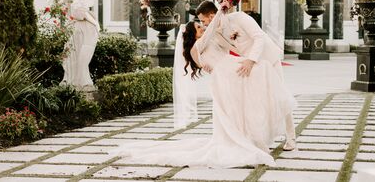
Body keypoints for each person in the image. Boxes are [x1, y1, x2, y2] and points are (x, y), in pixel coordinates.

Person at [114, 15, 295, 168]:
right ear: (193, 35)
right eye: (199, 27)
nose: (203, 27)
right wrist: (220, 12)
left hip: (230, 71)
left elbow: (224, 46)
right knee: (236, 107)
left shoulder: (208, 41)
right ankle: (247, 139)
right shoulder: (197, 47)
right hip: (224, 77)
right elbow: (207, 43)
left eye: (202, 24)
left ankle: (254, 136)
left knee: (248, 98)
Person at [195, 0, 297, 151]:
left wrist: (251, 59)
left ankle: (291, 137)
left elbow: (259, 37)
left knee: (280, 97)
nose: (203, 25)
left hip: (268, 59)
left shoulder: (239, 17)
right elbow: (222, 54)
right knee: (258, 102)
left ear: (211, 16)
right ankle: (260, 138)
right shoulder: (215, 34)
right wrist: (210, 66)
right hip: (252, 69)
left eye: (203, 21)